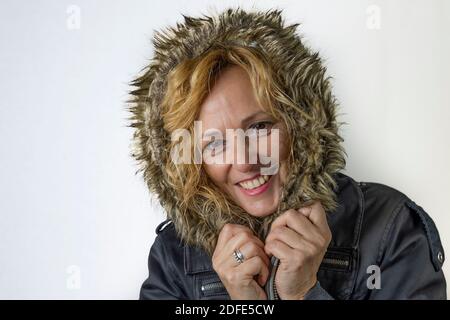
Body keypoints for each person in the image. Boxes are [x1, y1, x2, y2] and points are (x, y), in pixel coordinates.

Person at [127, 7, 446, 299]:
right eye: (214, 144)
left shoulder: (390, 227)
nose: (245, 161)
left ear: (300, 123)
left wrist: (303, 293)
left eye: (259, 128)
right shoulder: (173, 256)